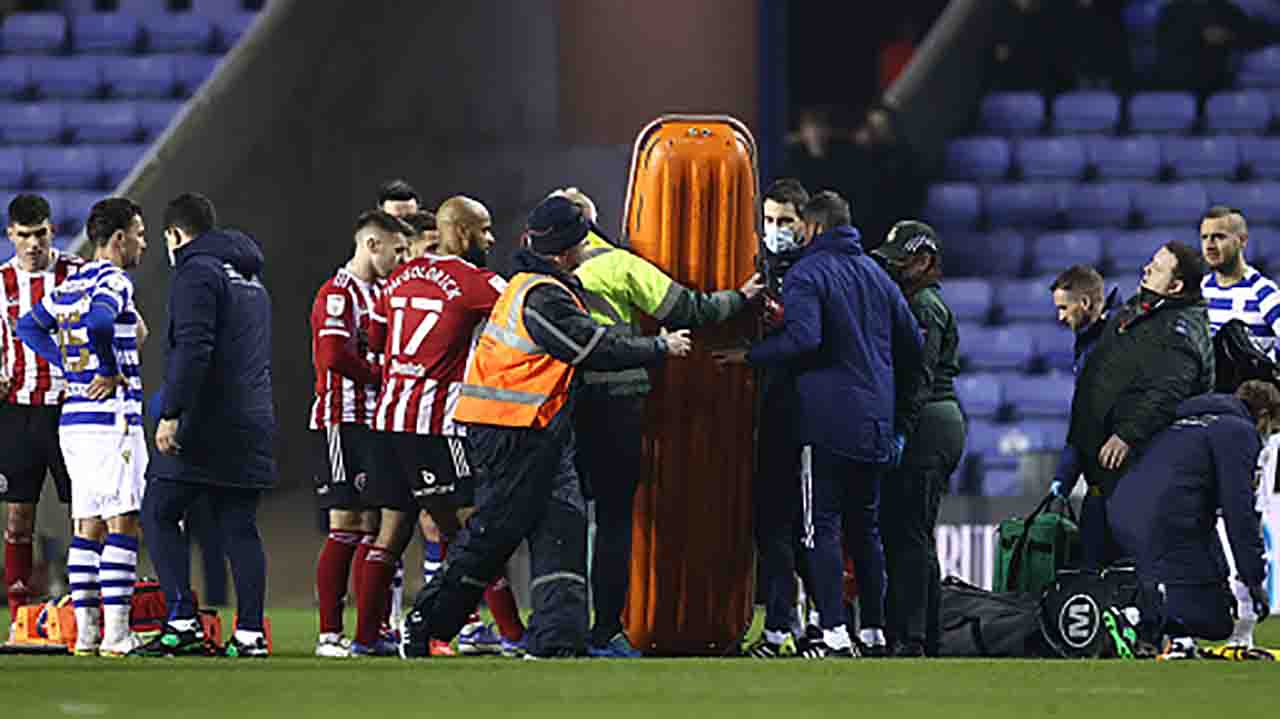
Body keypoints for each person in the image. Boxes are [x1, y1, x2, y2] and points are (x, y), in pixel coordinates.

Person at [403, 196, 692, 659]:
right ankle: (426, 622)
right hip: (507, 432)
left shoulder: (537, 286)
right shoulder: (541, 295)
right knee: (495, 536)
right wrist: (659, 347)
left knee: (564, 525)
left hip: (541, 428)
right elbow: (590, 346)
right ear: (567, 248)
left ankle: (558, 641)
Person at [548, 186, 763, 657]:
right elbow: (688, 308)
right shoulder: (618, 265)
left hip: (556, 407)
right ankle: (605, 631)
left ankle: (557, 629)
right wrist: (740, 297)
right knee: (614, 521)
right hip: (616, 407)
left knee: (561, 522)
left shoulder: (538, 276)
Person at [717, 191, 924, 658]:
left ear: (811, 228)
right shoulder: (878, 274)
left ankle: (832, 632)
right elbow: (913, 343)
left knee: (819, 528)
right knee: (865, 529)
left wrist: (749, 356)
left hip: (825, 422)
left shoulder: (809, 273)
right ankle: (872, 631)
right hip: (875, 421)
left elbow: (805, 338)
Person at [137, 193, 276, 658]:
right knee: (239, 524)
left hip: (207, 421)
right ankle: (251, 634)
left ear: (175, 235)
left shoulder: (195, 273)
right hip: (253, 417)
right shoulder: (251, 277)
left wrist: (171, 412)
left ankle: (181, 622)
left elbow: (194, 349)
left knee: (158, 509)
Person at [15, 197, 147, 657]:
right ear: (117, 239)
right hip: (113, 419)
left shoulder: (72, 282)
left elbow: (27, 326)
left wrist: (71, 371)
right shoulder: (112, 279)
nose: (142, 243)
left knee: (86, 526)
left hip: (74, 421)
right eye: (139, 233)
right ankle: (116, 633)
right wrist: (104, 369)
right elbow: (101, 321)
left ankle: (88, 634)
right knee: (123, 523)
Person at [1068, 241, 1216, 569]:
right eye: (1151, 262)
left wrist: (1127, 434)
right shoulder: (1140, 311)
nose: (1147, 269)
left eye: (1158, 267)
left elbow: (1168, 390)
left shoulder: (1181, 329)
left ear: (1176, 286)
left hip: (1139, 472)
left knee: (1129, 574)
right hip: (1105, 473)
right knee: (1095, 573)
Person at [1108, 380, 1278, 659]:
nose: (1269, 436)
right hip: (1168, 521)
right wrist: (1254, 579)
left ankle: (1165, 628)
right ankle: (1137, 617)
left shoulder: (1182, 422)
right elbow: (1240, 513)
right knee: (1216, 620)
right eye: (1273, 429)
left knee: (1206, 578)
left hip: (1126, 510)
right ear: (1262, 417)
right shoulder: (1239, 432)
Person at [308, 209, 408, 657]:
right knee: (346, 522)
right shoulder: (338, 293)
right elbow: (333, 355)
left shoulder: (382, 292)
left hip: (375, 422)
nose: (401, 258)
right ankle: (329, 632)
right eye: (397, 249)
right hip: (341, 417)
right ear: (372, 245)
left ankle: (377, 627)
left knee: (373, 523)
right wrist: (381, 377)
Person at [872, 220, 965, 658]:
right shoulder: (920, 300)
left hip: (928, 424)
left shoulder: (925, 305)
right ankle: (923, 635)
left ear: (925, 261)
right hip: (935, 420)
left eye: (903, 262)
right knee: (914, 534)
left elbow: (919, 378)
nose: (895, 269)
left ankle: (911, 638)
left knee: (907, 535)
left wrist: (902, 430)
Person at [1197, 205, 1280, 651]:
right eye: (1206, 237)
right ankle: (1203, 618)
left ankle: (1244, 626)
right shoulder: (1198, 293)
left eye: (1220, 237)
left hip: (1253, 431)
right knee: (1203, 518)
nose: (1211, 245)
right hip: (1208, 426)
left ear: (1242, 241)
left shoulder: (1265, 293)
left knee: (1244, 519)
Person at [0, 193, 82, 634]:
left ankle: (88, 607)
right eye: (25, 235)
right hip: (18, 411)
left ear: (52, 231)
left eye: (41, 234)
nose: (34, 244)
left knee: (84, 512)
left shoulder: (77, 274)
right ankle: (19, 614)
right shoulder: (0, 283)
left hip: (71, 411)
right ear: (11, 234)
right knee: (18, 515)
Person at [743, 178, 812, 659]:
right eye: (768, 220)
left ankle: (819, 625)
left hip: (807, 415)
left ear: (804, 223)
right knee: (772, 526)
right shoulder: (756, 270)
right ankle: (785, 624)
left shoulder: (815, 273)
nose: (774, 229)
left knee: (805, 530)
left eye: (784, 221)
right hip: (768, 416)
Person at [1047, 265, 1117, 498]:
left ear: (1085, 303)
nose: (1061, 317)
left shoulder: (1109, 344)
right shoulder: (1092, 339)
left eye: (1064, 308)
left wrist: (1063, 479)